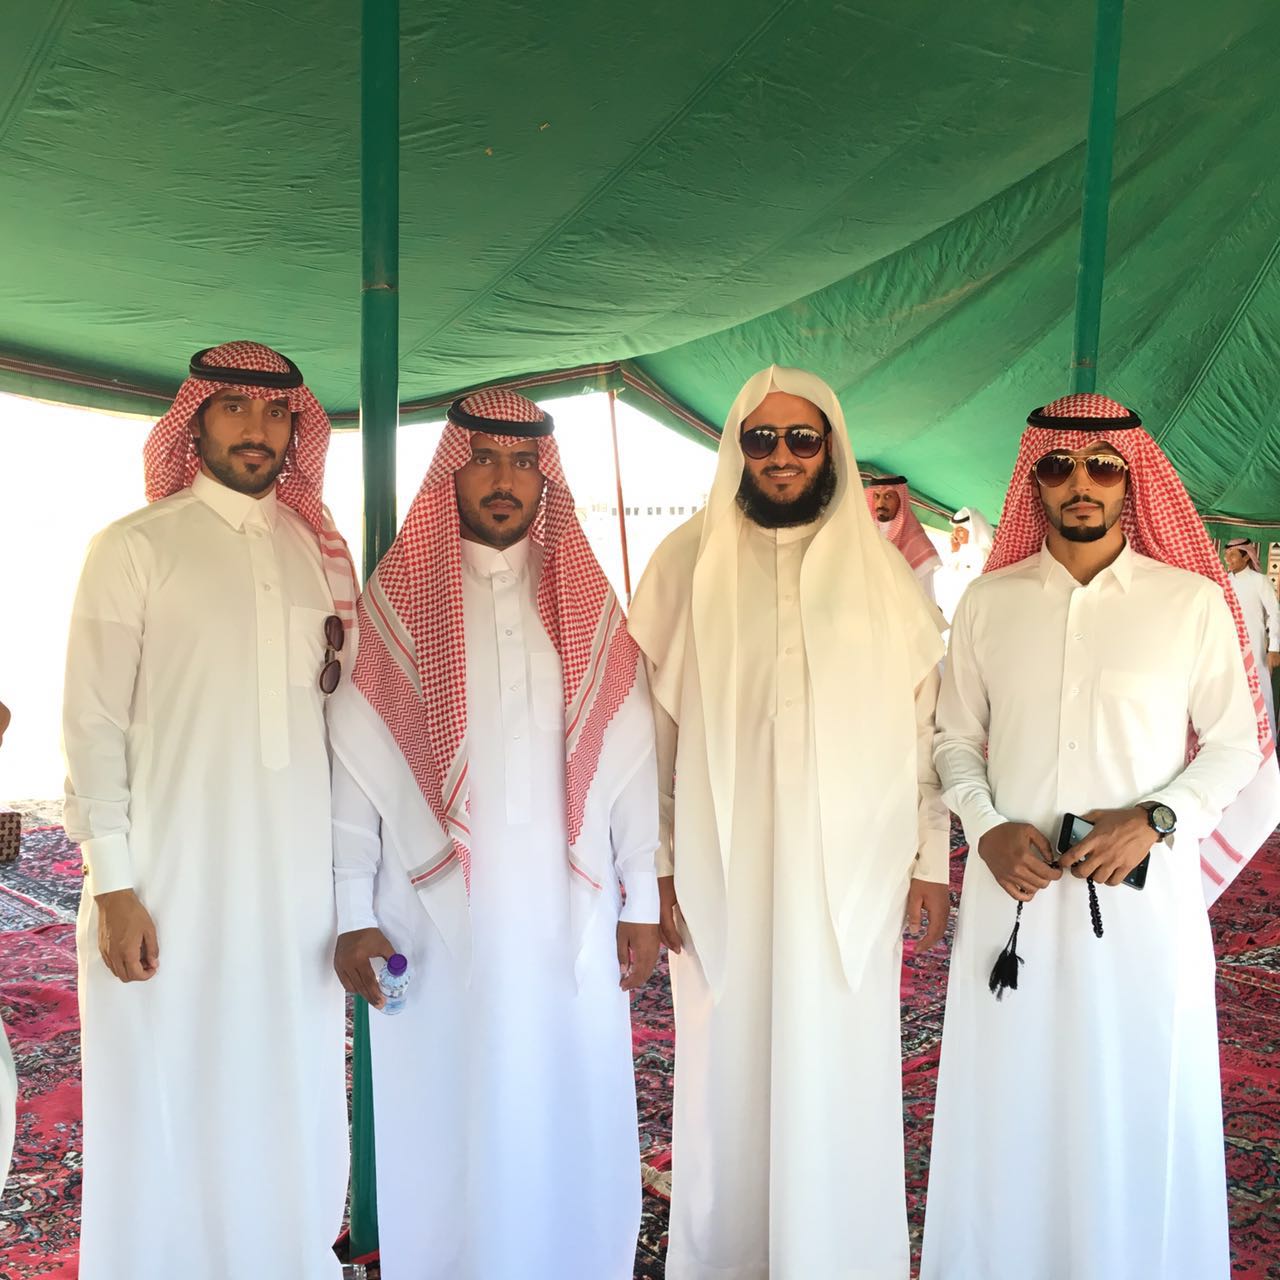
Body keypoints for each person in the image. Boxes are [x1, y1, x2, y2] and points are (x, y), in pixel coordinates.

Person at [921, 393, 1280, 1280]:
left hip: (1141, 907)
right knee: (1010, 1091)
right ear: (1034, 479)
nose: (1080, 482)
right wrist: (986, 826)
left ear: (1130, 479)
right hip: (1014, 900)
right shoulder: (989, 603)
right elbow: (954, 740)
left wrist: (1156, 819)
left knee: (1136, 1084)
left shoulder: (1189, 603)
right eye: (1059, 465)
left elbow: (1237, 745)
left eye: (1102, 466)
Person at [328, 389, 660, 1280]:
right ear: (452, 471)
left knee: (567, 1097)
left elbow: (628, 763)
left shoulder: (584, 604)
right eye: (482, 459)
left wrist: (642, 895)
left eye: (521, 462)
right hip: (435, 915)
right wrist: (352, 911)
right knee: (446, 1106)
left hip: (567, 914)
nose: (503, 479)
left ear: (545, 477)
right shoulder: (398, 605)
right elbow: (360, 772)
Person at [628, 366, 950, 1279]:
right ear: (736, 449)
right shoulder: (682, 563)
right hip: (719, 865)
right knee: (726, 1065)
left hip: (853, 871)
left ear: (831, 451)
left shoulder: (884, 576)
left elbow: (924, 733)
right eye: (761, 438)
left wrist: (930, 859)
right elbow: (651, 738)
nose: (781, 456)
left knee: (838, 1060)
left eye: (801, 439)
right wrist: (656, 865)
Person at [62, 342, 355, 1279]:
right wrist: (115, 886)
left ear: (297, 429)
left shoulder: (317, 554)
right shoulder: (135, 546)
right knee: (167, 1084)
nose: (257, 429)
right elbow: (92, 723)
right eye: (233, 407)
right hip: (168, 880)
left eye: (275, 412)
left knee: (287, 1081)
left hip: (293, 889)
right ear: (196, 422)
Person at [1224, 537, 1279, 734]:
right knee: (1229, 692)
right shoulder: (1224, 581)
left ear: (1246, 556)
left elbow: (1275, 613)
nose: (1227, 558)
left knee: (1258, 691)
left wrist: (1274, 648)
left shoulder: (1259, 581)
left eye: (1232, 554)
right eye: (1226, 554)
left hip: (1254, 646)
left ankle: (1265, 740)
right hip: (1227, 646)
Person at [865, 473, 943, 602]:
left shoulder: (918, 545)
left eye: (888, 496)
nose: (880, 503)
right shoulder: (866, 534)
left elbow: (924, 599)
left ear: (901, 500)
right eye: (876, 496)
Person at [935, 506, 994, 620]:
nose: (955, 534)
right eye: (954, 530)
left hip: (974, 609)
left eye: (960, 530)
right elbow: (949, 575)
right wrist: (955, 550)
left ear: (973, 529)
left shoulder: (983, 552)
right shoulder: (963, 551)